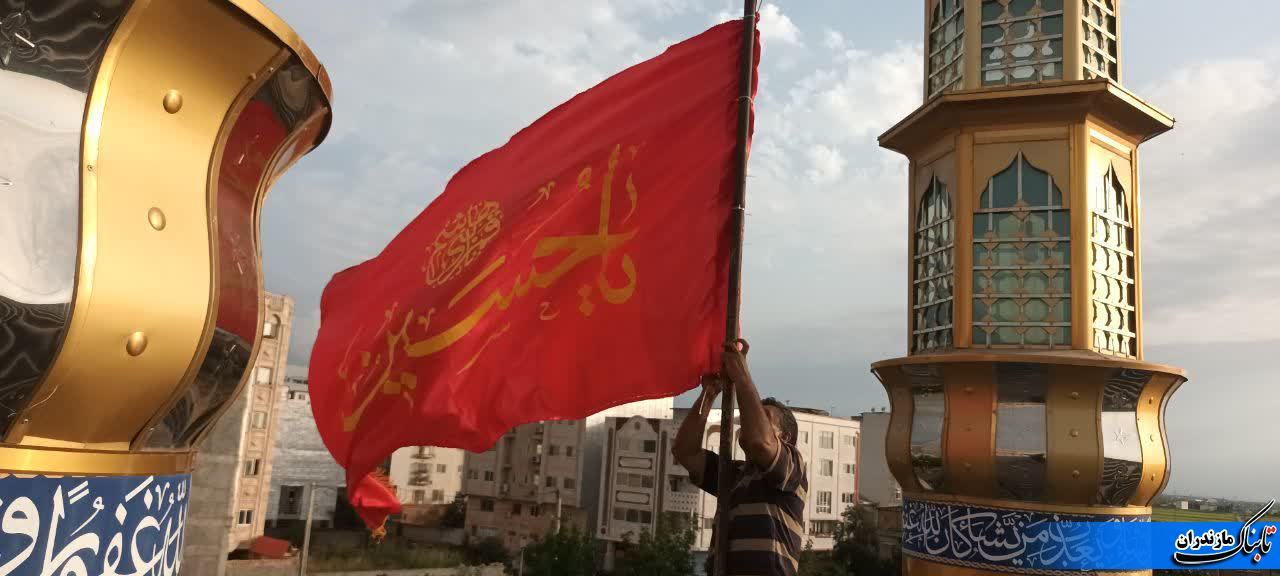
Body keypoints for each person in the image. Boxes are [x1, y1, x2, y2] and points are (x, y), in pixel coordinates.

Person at [673, 342, 806, 576]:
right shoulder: (733, 475)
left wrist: (741, 374)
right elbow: (685, 451)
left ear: (784, 438)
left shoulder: (792, 466)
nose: (747, 420)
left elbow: (760, 443)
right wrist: (709, 393)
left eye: (763, 417)